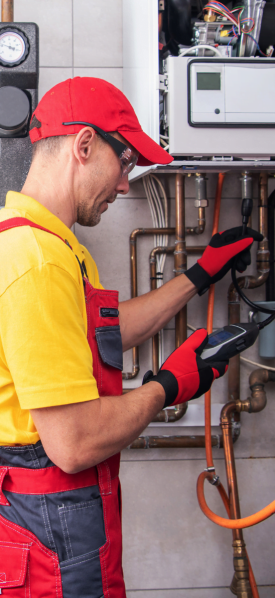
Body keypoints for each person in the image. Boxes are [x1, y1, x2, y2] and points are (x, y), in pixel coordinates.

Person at [0, 77, 262, 598]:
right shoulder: (35, 262)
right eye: (124, 163)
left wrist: (199, 276)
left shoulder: (47, 243)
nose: (125, 185)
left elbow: (105, 330)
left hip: (57, 514)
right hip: (50, 521)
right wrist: (170, 384)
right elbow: (73, 444)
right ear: (84, 145)